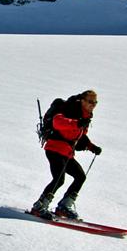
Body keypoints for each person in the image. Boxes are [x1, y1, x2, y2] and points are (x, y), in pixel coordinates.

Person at [31, 90, 103, 221]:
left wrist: (91, 146)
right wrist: (77, 123)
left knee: (80, 176)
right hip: (55, 148)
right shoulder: (71, 108)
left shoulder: (85, 116)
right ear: (82, 100)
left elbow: (78, 136)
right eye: (90, 101)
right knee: (59, 178)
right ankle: (39, 206)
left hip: (67, 152)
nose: (93, 104)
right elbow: (57, 122)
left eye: (95, 102)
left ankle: (64, 206)